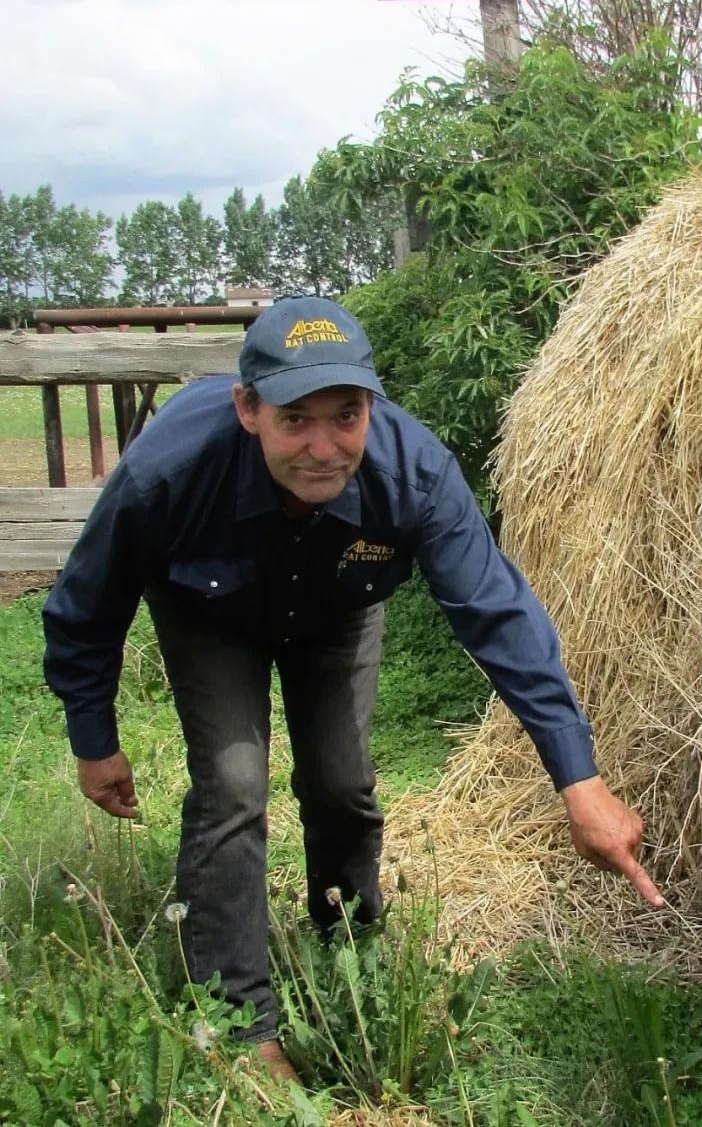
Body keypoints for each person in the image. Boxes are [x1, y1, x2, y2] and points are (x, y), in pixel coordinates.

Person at [43, 295, 662, 1082]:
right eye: (295, 419)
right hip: (210, 612)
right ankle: (239, 1026)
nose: (324, 447)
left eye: (346, 415)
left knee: (341, 781)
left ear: (372, 405)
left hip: (337, 606)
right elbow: (85, 605)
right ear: (247, 408)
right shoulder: (168, 472)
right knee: (233, 786)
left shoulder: (415, 473)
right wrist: (93, 741)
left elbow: (498, 616)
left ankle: (351, 958)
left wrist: (582, 782)